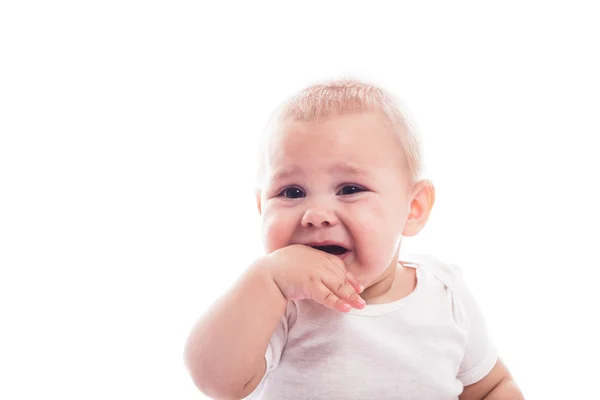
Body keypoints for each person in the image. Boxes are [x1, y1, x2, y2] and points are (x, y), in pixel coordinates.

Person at [184, 79, 524, 399]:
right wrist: (267, 279)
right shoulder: (281, 305)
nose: (316, 213)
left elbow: (492, 387)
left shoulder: (445, 294)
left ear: (413, 208)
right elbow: (218, 381)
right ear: (261, 208)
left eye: (349, 189)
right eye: (291, 192)